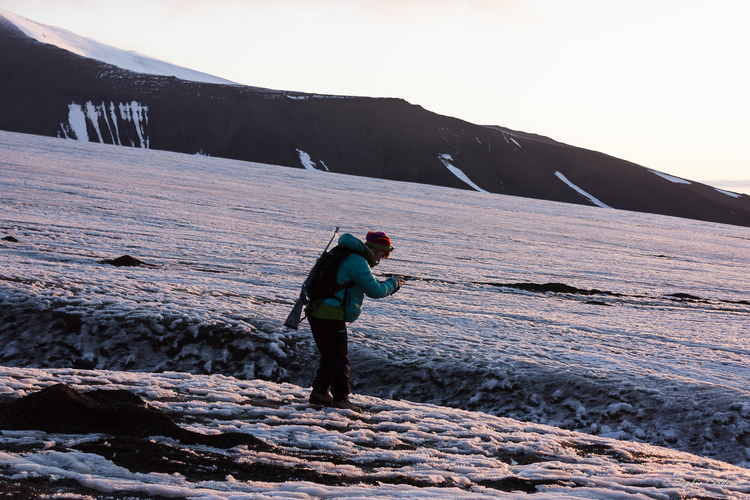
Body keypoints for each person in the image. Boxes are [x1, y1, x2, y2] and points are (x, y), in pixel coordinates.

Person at [306, 231, 404, 412]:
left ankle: (320, 392)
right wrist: (394, 283)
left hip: (320, 310)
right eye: (382, 255)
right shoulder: (357, 260)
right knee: (339, 358)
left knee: (330, 355)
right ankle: (341, 399)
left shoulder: (343, 253)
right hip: (329, 313)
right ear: (375, 249)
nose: (380, 260)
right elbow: (374, 290)